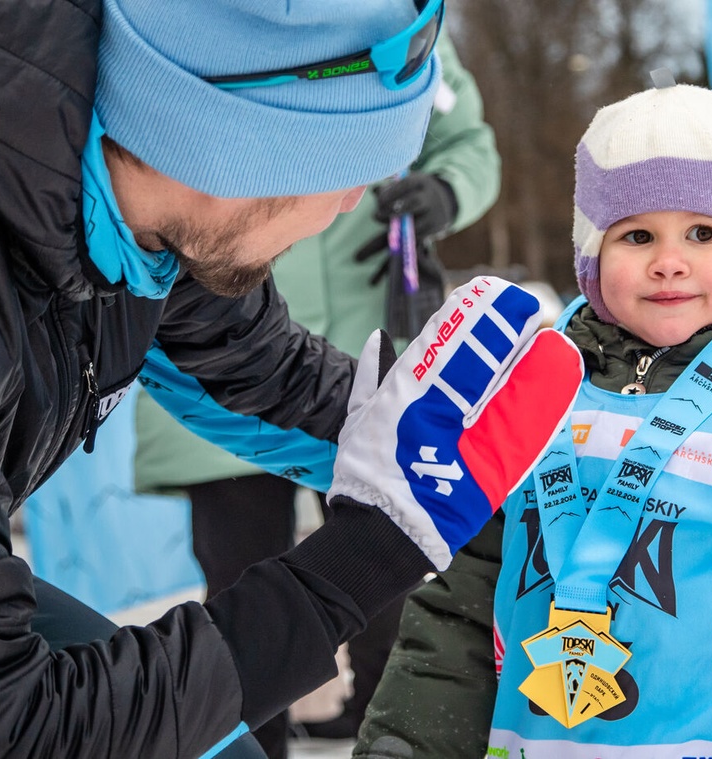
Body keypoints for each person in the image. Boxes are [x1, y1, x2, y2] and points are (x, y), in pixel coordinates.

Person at [0, 1, 582, 757]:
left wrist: (419, 439)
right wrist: (354, 567)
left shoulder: (134, 209)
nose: (348, 208)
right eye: (343, 176)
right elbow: (26, 728)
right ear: (237, 144)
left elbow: (258, 367)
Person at [353, 81, 712, 758]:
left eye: (703, 232)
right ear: (593, 254)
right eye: (637, 234)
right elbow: (453, 616)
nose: (669, 261)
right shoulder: (521, 403)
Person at [132, 30, 500, 757]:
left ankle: (380, 715)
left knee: (386, 550)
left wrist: (443, 190)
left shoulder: (400, 26)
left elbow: (468, 140)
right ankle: (252, 739)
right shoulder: (232, 19)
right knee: (239, 564)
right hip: (219, 325)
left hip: (365, 327)